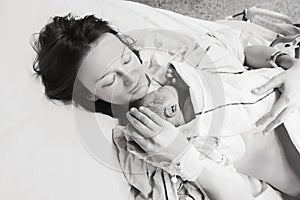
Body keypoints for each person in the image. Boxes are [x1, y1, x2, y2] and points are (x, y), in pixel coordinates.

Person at [32, 14, 300, 199]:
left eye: (126, 60)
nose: (131, 77)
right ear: (89, 95)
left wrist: (290, 66)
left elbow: (241, 51)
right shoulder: (140, 144)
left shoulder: (169, 59)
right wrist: (186, 158)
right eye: (110, 79)